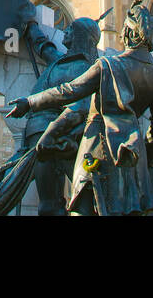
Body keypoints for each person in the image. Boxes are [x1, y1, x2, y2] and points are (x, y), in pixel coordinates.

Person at [7, 0, 153, 215]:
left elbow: (69, 91)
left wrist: (30, 102)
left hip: (97, 147)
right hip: (131, 152)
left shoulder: (109, 65)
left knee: (85, 207)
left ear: (127, 34)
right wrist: (145, 158)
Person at [22, 17, 102, 215]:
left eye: (71, 30)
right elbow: (43, 47)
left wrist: (57, 131)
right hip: (38, 133)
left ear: (81, 37)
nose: (65, 32)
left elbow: (81, 107)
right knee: (48, 203)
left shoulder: (87, 68)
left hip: (62, 138)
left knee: (83, 195)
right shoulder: (58, 59)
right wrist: (31, 26)